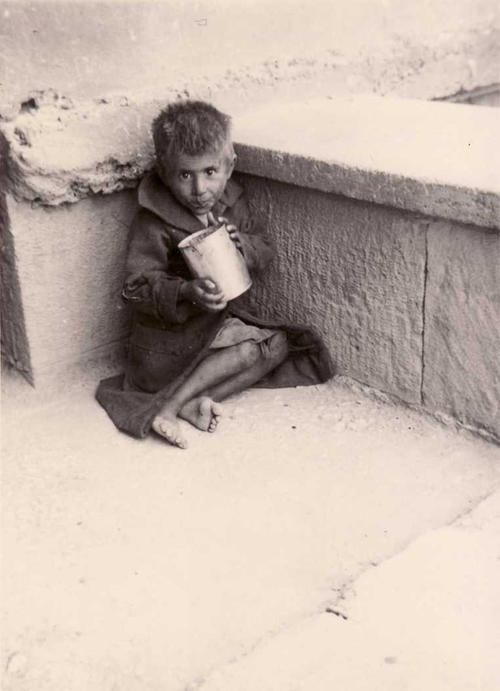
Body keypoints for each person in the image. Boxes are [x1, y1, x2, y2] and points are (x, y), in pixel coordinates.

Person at [96, 100, 333, 448]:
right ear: (164, 172)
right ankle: (168, 408)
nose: (199, 189)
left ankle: (193, 402)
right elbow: (135, 287)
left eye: (210, 172)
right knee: (249, 349)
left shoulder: (232, 203)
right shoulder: (154, 219)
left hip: (219, 326)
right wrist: (186, 291)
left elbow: (264, 248)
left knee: (275, 345)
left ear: (229, 165)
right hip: (173, 338)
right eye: (184, 175)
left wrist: (243, 247)